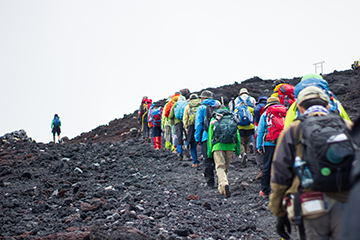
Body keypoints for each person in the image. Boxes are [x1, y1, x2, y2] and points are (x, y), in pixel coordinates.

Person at [269, 86, 354, 240]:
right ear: (327, 105)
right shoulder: (347, 127)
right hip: (346, 203)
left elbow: (280, 175)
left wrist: (279, 212)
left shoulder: (293, 130)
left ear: (300, 107)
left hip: (309, 203)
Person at [207, 97, 241, 197]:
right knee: (225, 168)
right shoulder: (232, 119)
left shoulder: (214, 119)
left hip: (218, 146)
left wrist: (209, 151)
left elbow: (210, 137)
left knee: (219, 167)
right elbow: (237, 135)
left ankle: (224, 184)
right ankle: (221, 189)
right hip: (230, 146)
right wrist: (238, 150)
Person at [256, 97, 286, 198]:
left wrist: (259, 145)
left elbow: (260, 131)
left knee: (267, 167)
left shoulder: (266, 114)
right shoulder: (285, 113)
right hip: (282, 144)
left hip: (268, 144)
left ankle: (265, 190)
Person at [194, 90, 218, 189]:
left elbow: (199, 124)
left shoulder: (202, 108)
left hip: (206, 137)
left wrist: (197, 138)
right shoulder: (218, 106)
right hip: (219, 136)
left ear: (203, 98)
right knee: (219, 159)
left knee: (207, 160)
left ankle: (210, 183)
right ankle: (222, 181)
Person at [233, 88, 255, 166]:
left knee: (241, 142)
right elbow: (253, 116)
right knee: (246, 141)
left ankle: (243, 153)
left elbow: (234, 117)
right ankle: (247, 153)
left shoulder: (237, 105)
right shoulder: (251, 106)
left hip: (240, 127)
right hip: (249, 127)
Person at [183, 93, 202, 167]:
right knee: (203, 142)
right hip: (201, 125)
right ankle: (203, 156)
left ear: (190, 99)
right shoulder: (201, 104)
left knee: (192, 145)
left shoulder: (188, 106)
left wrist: (186, 127)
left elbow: (185, 118)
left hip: (191, 126)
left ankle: (195, 162)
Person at [169, 95, 187, 160]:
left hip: (177, 123)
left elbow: (170, 116)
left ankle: (180, 154)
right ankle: (186, 148)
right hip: (185, 122)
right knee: (187, 137)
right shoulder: (186, 104)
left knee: (179, 138)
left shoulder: (175, 105)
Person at [253, 96, 268, 179]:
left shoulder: (258, 107)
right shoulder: (274, 108)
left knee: (258, 151)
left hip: (262, 133)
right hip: (276, 134)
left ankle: (262, 170)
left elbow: (260, 129)